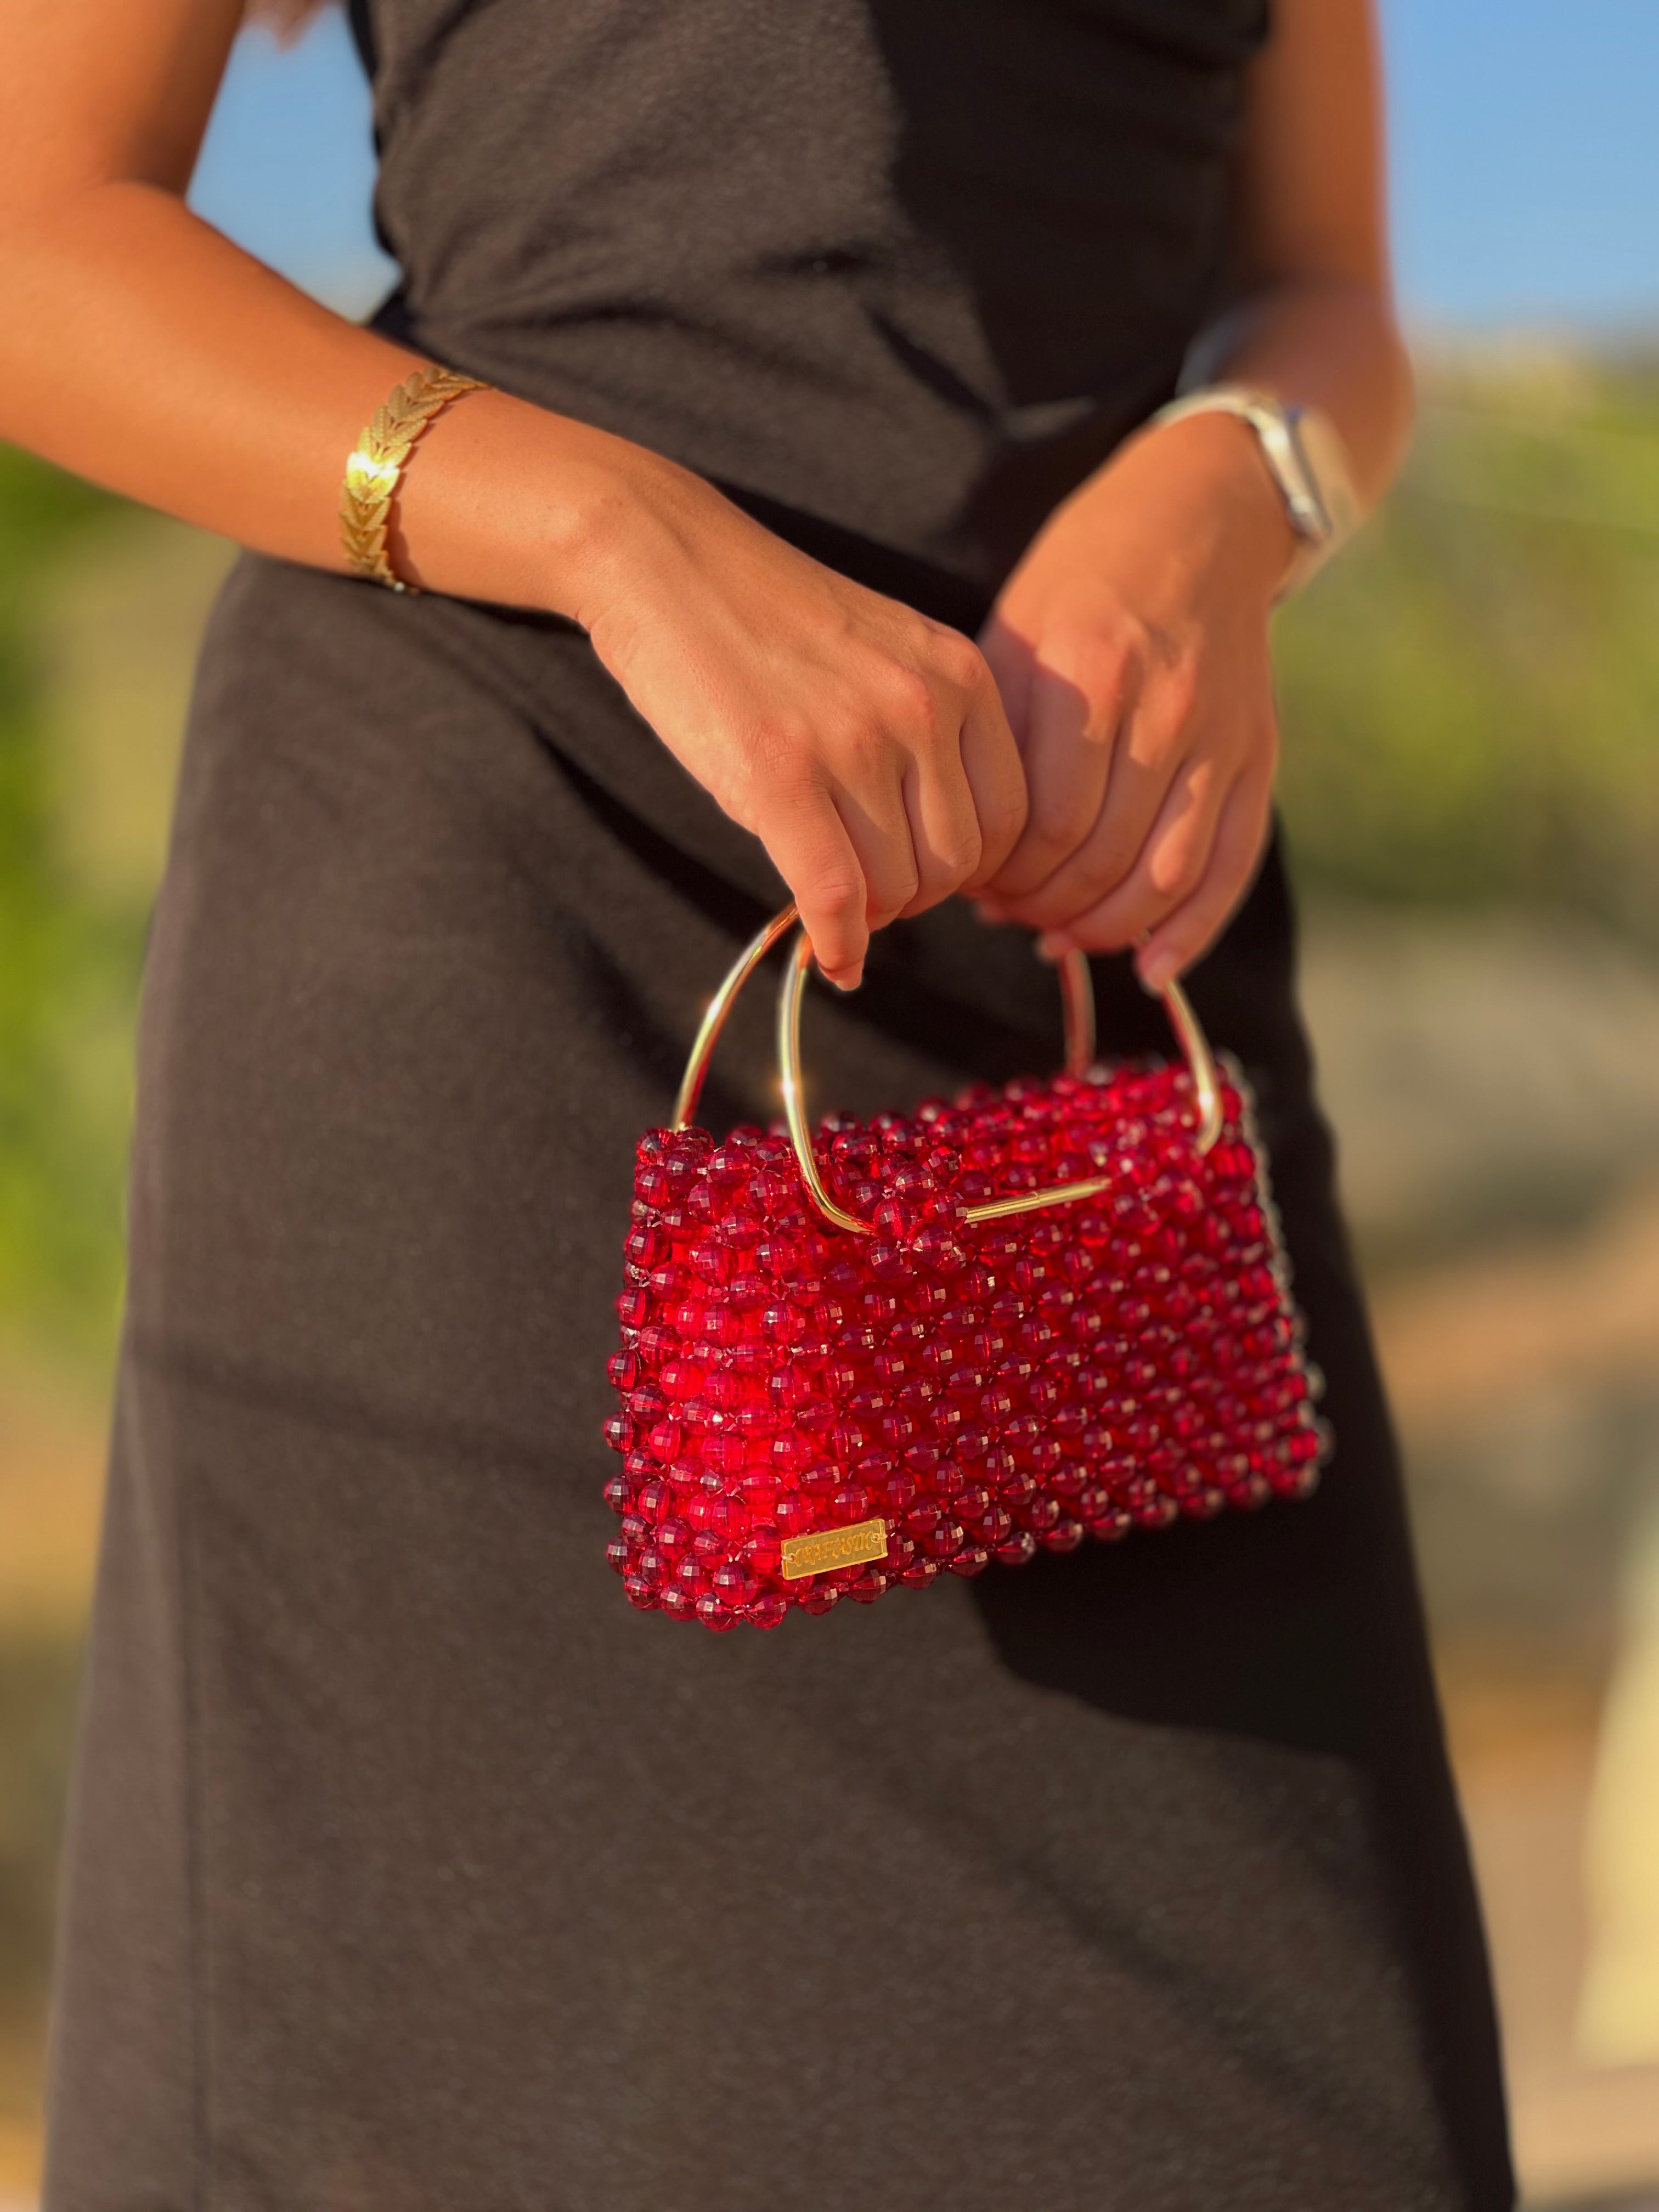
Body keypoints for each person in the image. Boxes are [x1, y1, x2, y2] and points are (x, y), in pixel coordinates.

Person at [0, 0, 1516, 2203]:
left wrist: (1239, 489)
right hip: (514, 943)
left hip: (1096, 953)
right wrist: (616, 533)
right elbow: (39, 232)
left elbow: (1330, 295)